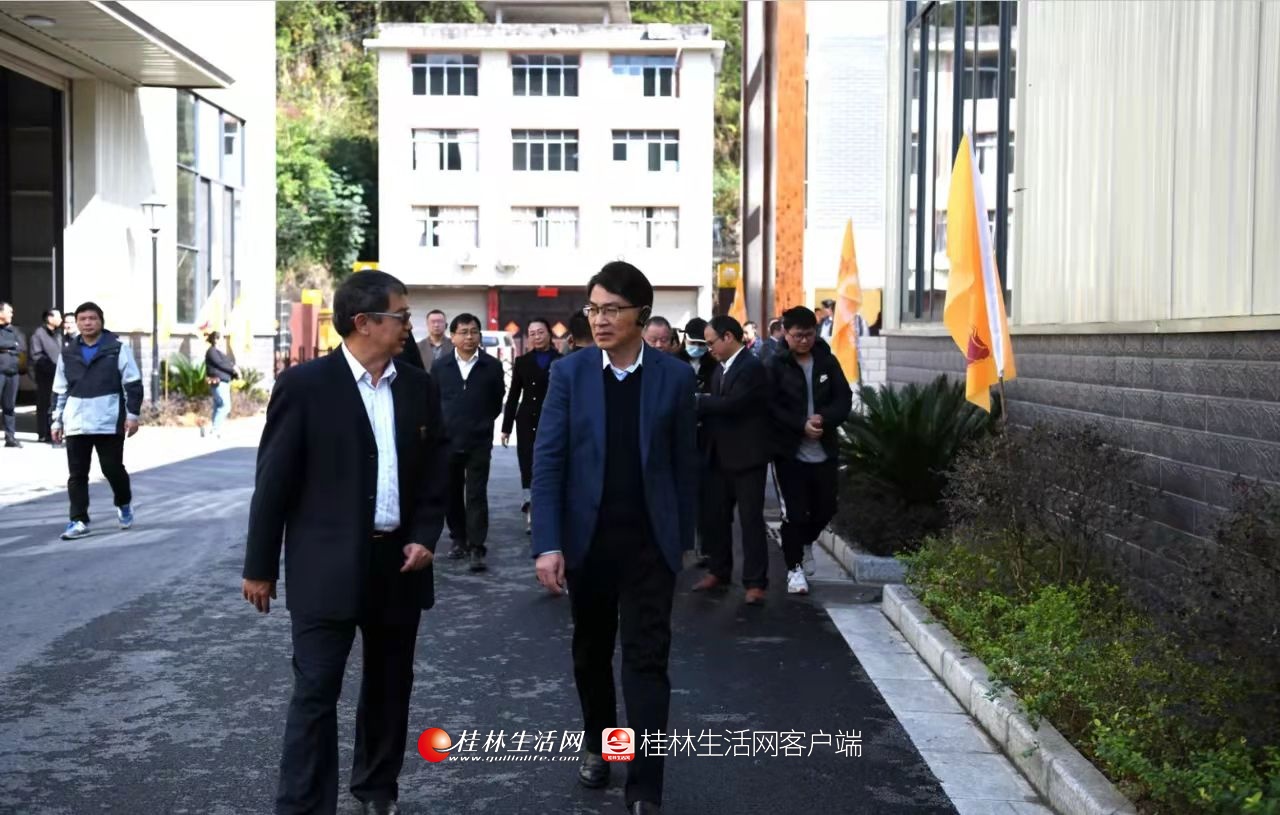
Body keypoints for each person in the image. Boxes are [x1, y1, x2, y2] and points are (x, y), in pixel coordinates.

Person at [242, 270, 448, 815]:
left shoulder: (418, 387)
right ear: (364, 322)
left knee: (389, 686)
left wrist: (425, 536)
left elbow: (437, 470)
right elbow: (274, 481)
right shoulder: (305, 386)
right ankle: (304, 806)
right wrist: (259, 566)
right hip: (325, 565)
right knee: (315, 692)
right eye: (400, 316)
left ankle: (377, 789)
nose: (408, 326)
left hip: (398, 566)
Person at [532, 261, 697, 815]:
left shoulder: (674, 377)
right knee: (592, 652)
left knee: (647, 661)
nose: (599, 320)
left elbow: (685, 466)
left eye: (611, 310)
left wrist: (682, 540)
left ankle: (645, 787)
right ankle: (602, 745)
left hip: (650, 544)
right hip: (589, 543)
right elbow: (549, 461)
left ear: (641, 315)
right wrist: (548, 543)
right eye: (593, 309)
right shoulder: (571, 374)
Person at [764, 306, 852, 595]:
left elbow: (844, 398)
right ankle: (794, 570)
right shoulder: (775, 364)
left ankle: (804, 542)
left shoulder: (827, 360)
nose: (804, 341)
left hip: (824, 449)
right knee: (794, 513)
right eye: (798, 335)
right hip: (789, 452)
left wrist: (824, 419)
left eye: (809, 335)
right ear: (785, 333)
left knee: (827, 507)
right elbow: (769, 406)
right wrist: (800, 425)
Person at [692, 316, 773, 604]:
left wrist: (699, 401)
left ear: (728, 337)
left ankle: (755, 583)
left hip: (747, 457)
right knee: (716, 518)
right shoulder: (720, 368)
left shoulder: (751, 367)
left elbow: (735, 404)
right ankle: (719, 570)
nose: (709, 349)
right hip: (718, 456)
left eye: (711, 342)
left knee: (750, 522)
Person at [50, 302, 143, 539]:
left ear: (101, 321)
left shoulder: (117, 349)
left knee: (112, 468)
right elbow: (60, 389)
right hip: (76, 421)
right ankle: (78, 520)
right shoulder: (68, 353)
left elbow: (133, 383)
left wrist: (132, 415)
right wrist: (56, 421)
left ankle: (123, 503)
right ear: (77, 323)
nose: (87, 323)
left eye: (92, 318)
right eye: (82, 319)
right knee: (77, 474)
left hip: (108, 419)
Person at [432, 313, 505, 571]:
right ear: (452, 337)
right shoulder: (440, 367)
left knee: (476, 494)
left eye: (474, 332)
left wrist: (482, 423)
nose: (469, 337)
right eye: (463, 332)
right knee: (451, 493)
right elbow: (433, 401)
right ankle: (458, 539)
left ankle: (477, 546)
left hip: (478, 441)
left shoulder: (491, 366)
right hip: (448, 441)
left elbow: (496, 402)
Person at [501, 318, 559, 534]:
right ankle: (531, 512)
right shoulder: (522, 361)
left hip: (552, 420)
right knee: (528, 465)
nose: (536, 337)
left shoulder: (560, 361)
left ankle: (550, 511)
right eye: (532, 333)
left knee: (550, 465)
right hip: (526, 421)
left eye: (540, 332)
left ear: (549, 334)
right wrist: (506, 427)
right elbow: (513, 395)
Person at [29, 308, 63, 445]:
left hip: (58, 376)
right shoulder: (38, 334)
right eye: (58, 317)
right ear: (49, 318)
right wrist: (52, 367)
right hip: (45, 376)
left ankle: (54, 432)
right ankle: (43, 434)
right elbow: (36, 356)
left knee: (56, 405)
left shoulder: (58, 334)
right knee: (44, 405)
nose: (61, 320)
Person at [203, 331, 240, 439]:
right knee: (225, 406)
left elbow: (227, 363)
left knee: (218, 406)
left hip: (224, 381)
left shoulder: (218, 352)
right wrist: (233, 369)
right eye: (221, 338)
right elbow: (221, 364)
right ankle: (215, 429)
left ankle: (215, 429)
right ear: (215, 339)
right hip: (218, 382)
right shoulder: (212, 351)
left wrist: (235, 372)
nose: (223, 341)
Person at [0, 302, 26, 448]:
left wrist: (7, 347)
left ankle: (10, 437)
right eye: (9, 311)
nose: (11, 314)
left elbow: (21, 346)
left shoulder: (15, 330)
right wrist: (12, 346)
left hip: (13, 372)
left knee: (9, 406)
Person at [675, 317, 716, 394]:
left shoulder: (714, 363)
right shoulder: (674, 362)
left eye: (701, 344)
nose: (697, 347)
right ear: (685, 339)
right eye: (693, 343)